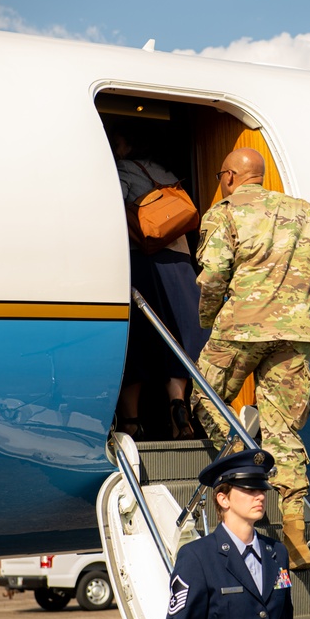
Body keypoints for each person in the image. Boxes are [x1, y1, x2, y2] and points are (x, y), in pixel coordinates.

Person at [191, 147, 310, 570]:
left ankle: (243, 470)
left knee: (205, 396)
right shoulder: (302, 211)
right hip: (293, 333)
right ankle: (296, 534)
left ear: (228, 177)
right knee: (283, 428)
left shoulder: (222, 213)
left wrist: (207, 320)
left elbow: (213, 276)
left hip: (240, 327)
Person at [110, 129, 209, 441]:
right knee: (176, 338)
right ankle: (178, 405)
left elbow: (111, 211)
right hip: (179, 263)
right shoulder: (167, 173)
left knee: (137, 341)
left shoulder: (122, 170)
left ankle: (131, 422)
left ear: (126, 144)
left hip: (143, 261)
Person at [166, 449, 293, 619]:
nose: (260, 496)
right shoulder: (197, 558)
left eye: (262, 489)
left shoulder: (277, 553)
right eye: (249, 489)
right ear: (223, 499)